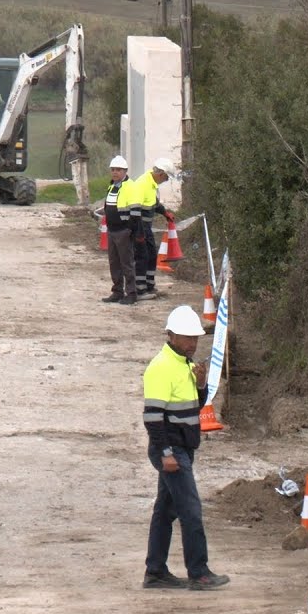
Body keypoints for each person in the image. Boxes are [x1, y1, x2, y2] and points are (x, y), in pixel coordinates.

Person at [140, 305, 229, 591]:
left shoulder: (186, 366)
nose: (192, 343)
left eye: (195, 338)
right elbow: (152, 417)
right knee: (190, 510)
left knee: (165, 512)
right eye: (186, 338)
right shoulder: (161, 367)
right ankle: (199, 573)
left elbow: (194, 408)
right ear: (170, 335)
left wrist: (201, 386)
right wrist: (165, 453)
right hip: (171, 450)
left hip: (182, 448)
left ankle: (155, 572)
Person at [118, 158, 180, 300]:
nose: (165, 181)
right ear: (160, 174)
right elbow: (136, 210)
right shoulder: (143, 184)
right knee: (141, 256)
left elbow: (154, 203)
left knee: (151, 254)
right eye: (166, 178)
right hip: (138, 227)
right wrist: (138, 232)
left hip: (145, 227)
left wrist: (165, 213)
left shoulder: (150, 184)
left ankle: (149, 285)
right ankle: (140, 289)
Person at [97, 155, 136, 305]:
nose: (115, 172)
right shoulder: (112, 186)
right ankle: (117, 291)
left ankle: (131, 293)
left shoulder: (130, 186)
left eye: (118, 170)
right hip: (112, 231)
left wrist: (134, 230)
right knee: (114, 263)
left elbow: (135, 210)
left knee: (126, 263)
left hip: (124, 230)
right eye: (113, 170)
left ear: (125, 171)